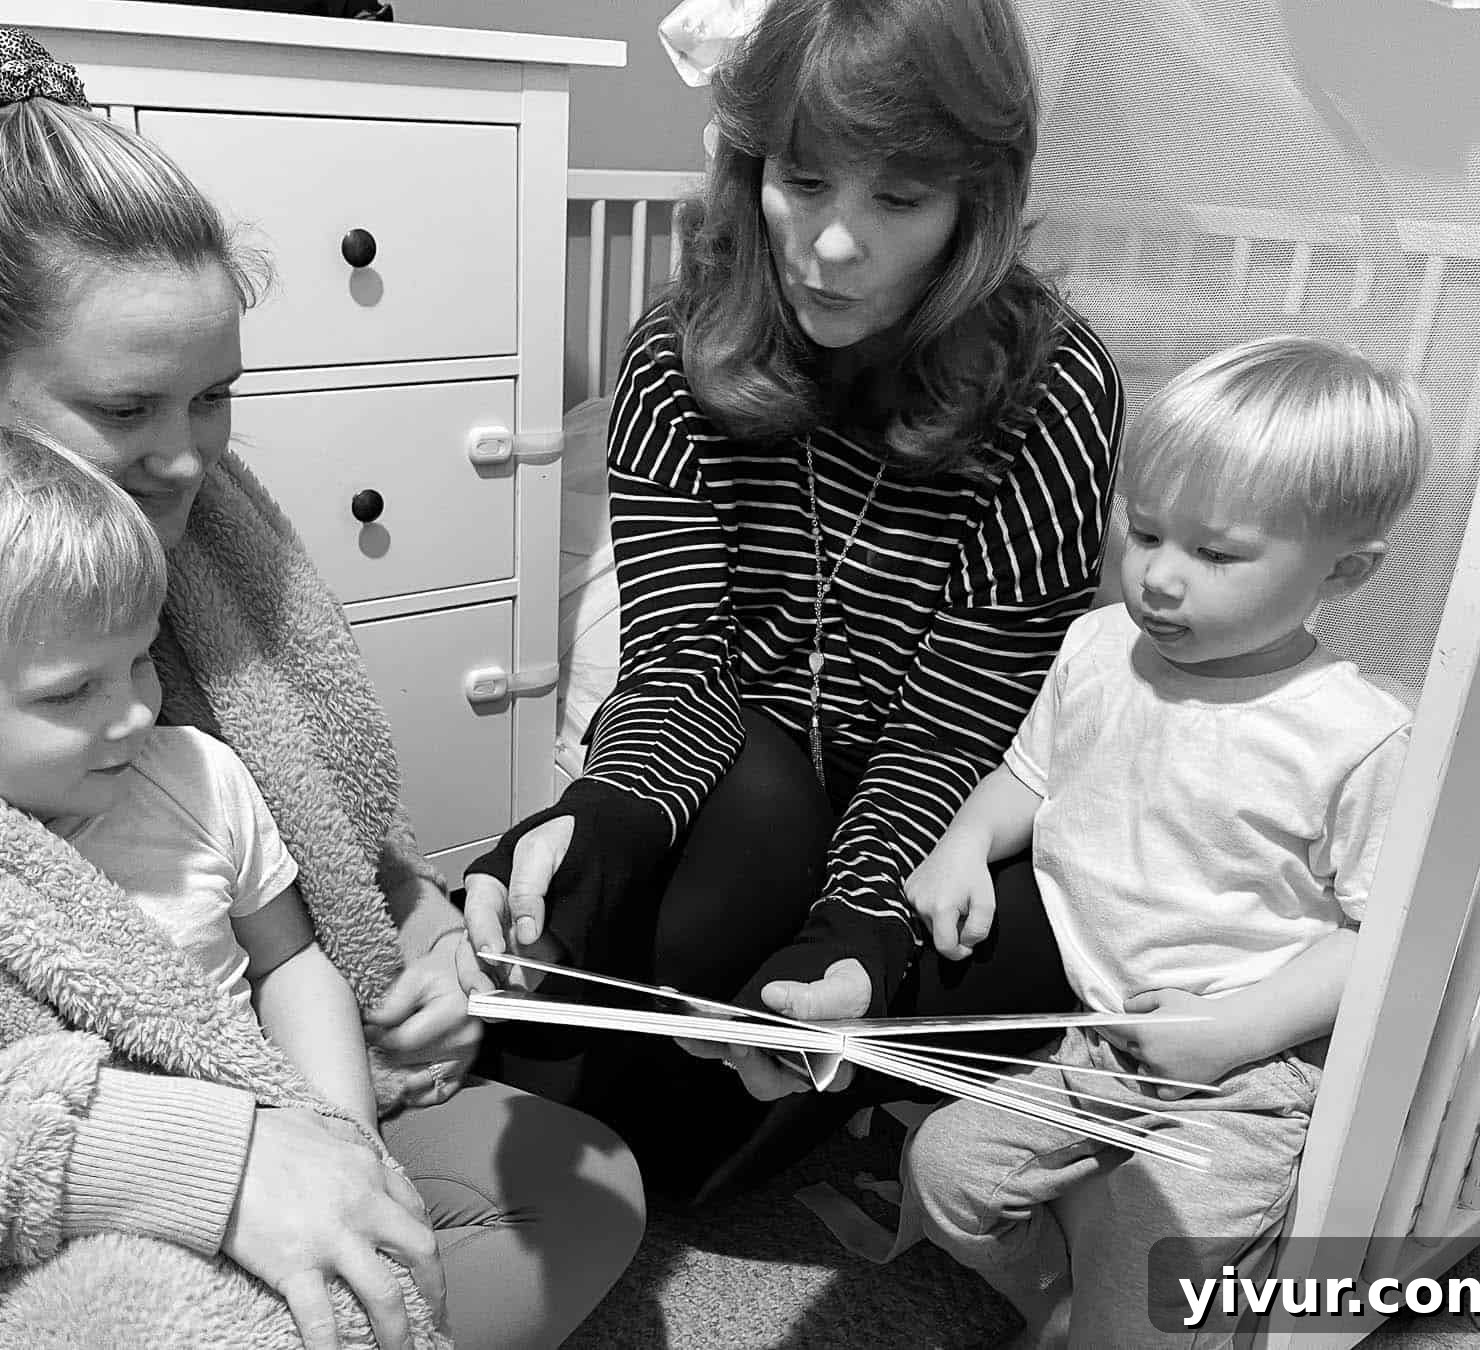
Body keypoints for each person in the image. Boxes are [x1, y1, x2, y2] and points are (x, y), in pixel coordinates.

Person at [0, 27, 641, 1350]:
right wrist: (197, 1159)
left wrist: (418, 933)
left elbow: (296, 826)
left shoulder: (206, 531)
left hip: (268, 1066)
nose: (185, 462)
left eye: (215, 397)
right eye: (127, 410)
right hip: (9, 1177)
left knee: (583, 1184)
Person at [463, 0, 1124, 1196]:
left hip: (925, 803)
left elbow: (959, 725)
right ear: (750, 163)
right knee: (738, 804)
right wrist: (606, 821)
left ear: (976, 199)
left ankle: (767, 1051)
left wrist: (863, 928)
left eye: (899, 201)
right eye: (803, 181)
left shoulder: (1054, 386)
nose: (830, 247)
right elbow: (675, 670)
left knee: (1044, 932)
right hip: (738, 788)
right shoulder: (677, 350)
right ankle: (711, 1062)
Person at [904, 336, 1430, 1348]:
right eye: (1143, 532)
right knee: (943, 1175)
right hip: (1103, 1035)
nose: (1160, 578)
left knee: (1150, 1285)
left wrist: (1233, 1031)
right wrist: (963, 846)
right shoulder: (1099, 645)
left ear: (1347, 573)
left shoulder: (1357, 738)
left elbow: (1383, 936)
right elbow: (1031, 775)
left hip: (1258, 1066)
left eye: (1218, 554)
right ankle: (1053, 1304)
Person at [0, 405, 391, 1128]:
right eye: (71, 691)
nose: (137, 711)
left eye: (141, 659)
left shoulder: (199, 776)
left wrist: (350, 1137)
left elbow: (287, 963)